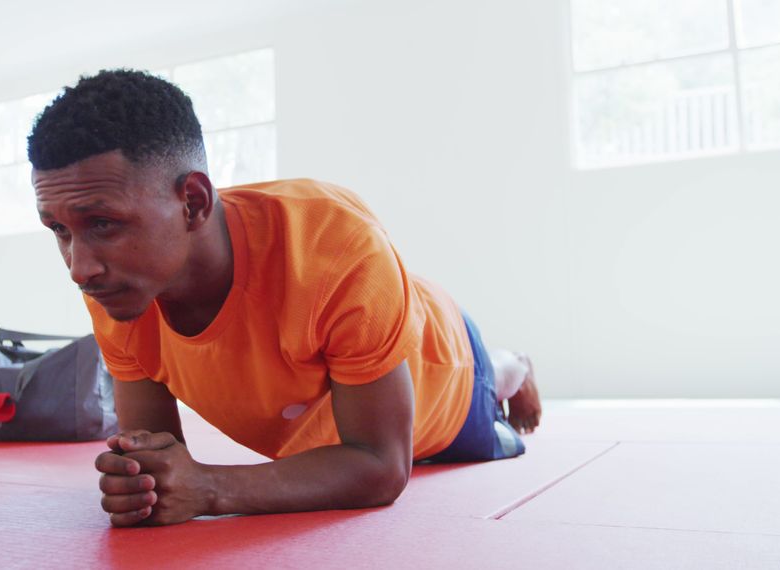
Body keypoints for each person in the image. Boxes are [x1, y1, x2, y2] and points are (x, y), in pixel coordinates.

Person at [27, 69, 542, 527]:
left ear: (193, 202)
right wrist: (140, 483)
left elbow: (381, 468)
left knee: (488, 383)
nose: (79, 268)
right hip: (313, 431)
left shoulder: (334, 246)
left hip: (444, 374)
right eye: (59, 230)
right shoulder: (117, 286)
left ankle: (515, 365)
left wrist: (209, 487)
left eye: (103, 223)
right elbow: (157, 465)